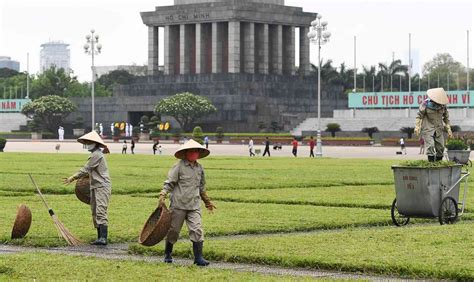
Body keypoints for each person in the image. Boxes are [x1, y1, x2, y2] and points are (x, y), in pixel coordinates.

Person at [158, 139, 216, 266]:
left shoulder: (199, 168)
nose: (194, 153)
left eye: (196, 151)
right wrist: (163, 193)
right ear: (186, 153)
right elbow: (170, 182)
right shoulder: (178, 167)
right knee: (173, 231)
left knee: (197, 229)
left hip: (194, 205)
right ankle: (168, 254)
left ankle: (198, 258)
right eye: (191, 151)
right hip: (178, 204)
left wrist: (207, 202)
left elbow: (201, 187)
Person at [63, 131, 111, 245]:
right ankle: (99, 237)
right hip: (95, 186)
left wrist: (72, 178)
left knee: (100, 210)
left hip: (102, 186)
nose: (87, 144)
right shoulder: (95, 154)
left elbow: (86, 169)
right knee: (95, 210)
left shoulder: (97, 155)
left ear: (95, 143)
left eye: (89, 142)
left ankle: (103, 238)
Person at [415, 88, 453, 162]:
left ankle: (438, 165)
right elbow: (419, 116)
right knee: (430, 146)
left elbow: (446, 118)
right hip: (428, 128)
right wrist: (417, 126)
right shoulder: (425, 104)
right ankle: (431, 165)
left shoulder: (443, 106)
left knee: (441, 147)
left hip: (438, 129)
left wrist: (449, 129)